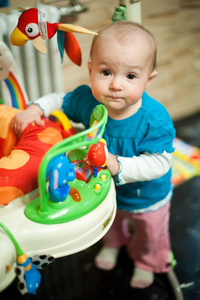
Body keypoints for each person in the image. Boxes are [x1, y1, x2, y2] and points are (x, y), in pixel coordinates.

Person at [11, 20, 176, 289]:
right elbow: (59, 99)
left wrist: (115, 163)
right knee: (108, 222)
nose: (116, 85)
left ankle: (147, 261)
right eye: (106, 72)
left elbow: (160, 163)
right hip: (104, 191)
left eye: (131, 76)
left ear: (149, 79)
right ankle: (113, 244)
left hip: (148, 197)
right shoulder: (89, 101)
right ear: (91, 70)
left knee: (150, 234)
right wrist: (35, 109)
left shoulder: (154, 121)